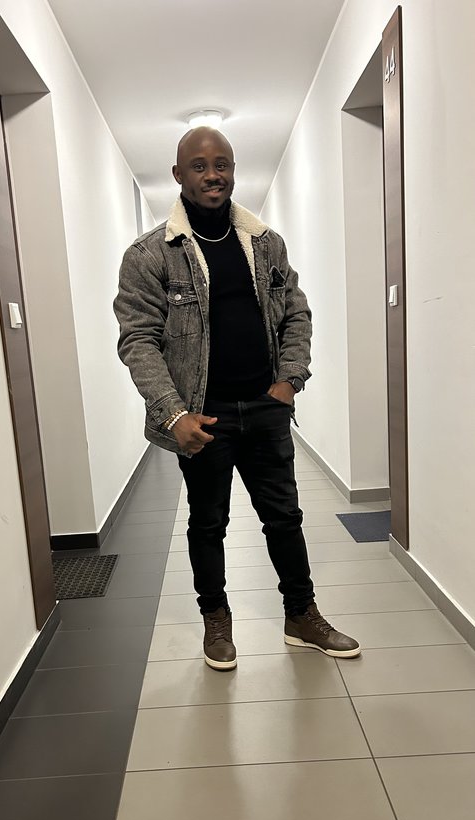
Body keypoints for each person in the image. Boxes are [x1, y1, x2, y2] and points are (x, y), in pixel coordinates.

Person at [114, 127, 360, 670]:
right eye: (199, 166)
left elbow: (296, 313)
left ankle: (302, 615)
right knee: (208, 523)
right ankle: (216, 619)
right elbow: (138, 340)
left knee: (285, 518)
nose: (213, 175)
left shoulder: (265, 243)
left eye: (221, 164)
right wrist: (173, 414)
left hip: (266, 408)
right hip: (204, 418)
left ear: (232, 169)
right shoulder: (150, 255)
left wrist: (289, 381)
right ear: (178, 175)